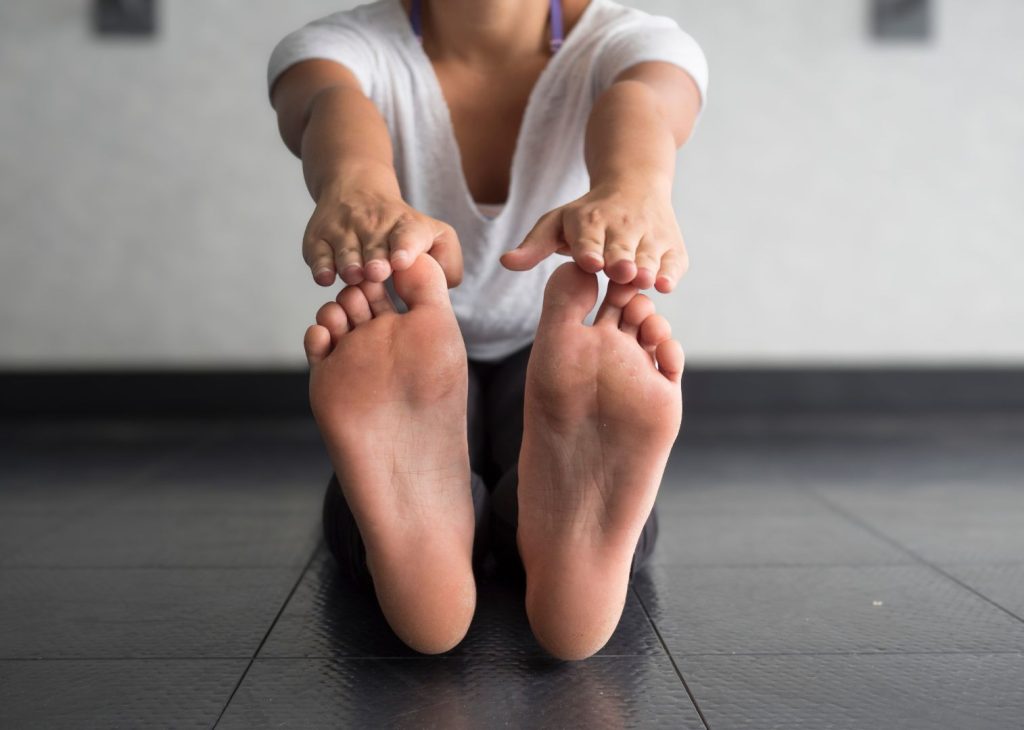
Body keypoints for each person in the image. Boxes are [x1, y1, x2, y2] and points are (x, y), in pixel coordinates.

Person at [267, 0, 707, 660]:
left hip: (552, 352)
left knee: (546, 452)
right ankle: (499, 520)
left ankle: (464, 523)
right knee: (504, 471)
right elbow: (327, 100)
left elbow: (645, 95)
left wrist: (634, 183)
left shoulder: (630, 41)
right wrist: (354, 182)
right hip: (418, 347)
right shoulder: (339, 47)